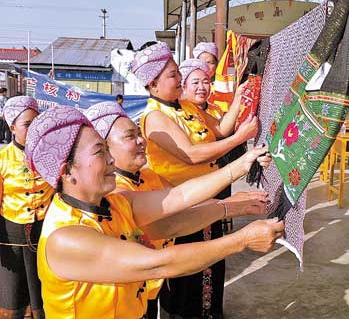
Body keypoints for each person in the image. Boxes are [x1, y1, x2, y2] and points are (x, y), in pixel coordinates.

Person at [26, 105, 283, 318]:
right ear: (67, 171)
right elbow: (158, 264)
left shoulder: (114, 203)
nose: (111, 160)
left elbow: (178, 198)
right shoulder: (65, 238)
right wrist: (242, 240)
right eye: (100, 152)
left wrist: (240, 166)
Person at [85, 101, 267, 319]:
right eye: (130, 136)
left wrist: (235, 202)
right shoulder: (117, 193)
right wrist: (238, 229)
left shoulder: (148, 176)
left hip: (143, 291)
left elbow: (183, 199)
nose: (142, 140)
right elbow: (169, 224)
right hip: (132, 292)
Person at [132, 42, 259, 318]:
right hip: (181, 205)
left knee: (209, 269)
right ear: (153, 83)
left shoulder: (185, 106)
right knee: (186, 277)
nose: (180, 80)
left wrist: (240, 95)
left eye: (179, 74)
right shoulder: (155, 116)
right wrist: (241, 139)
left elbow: (222, 128)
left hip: (204, 198)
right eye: (173, 76)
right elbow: (191, 155)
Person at [0, 96, 54, 318]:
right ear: (12, 127)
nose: (34, 129)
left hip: (44, 234)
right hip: (10, 237)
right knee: (13, 297)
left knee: (42, 295)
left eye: (37, 122)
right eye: (27, 124)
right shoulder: (2, 160)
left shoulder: (52, 155)